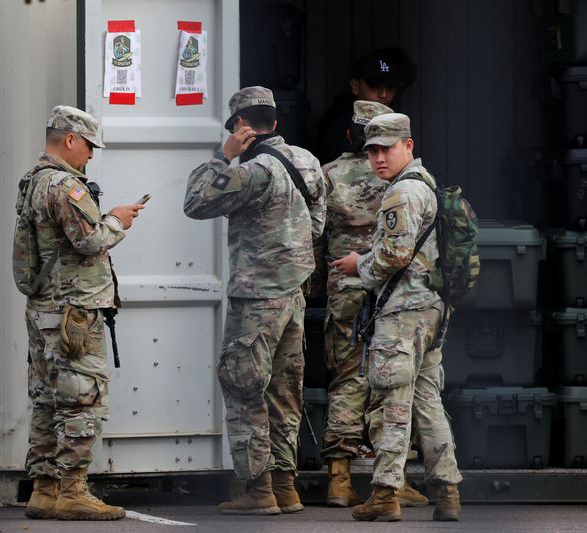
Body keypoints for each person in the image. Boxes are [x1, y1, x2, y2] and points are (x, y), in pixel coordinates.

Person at [183, 86, 326, 515]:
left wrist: (223, 155)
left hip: (255, 299)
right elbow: (317, 225)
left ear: (241, 126)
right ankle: (286, 486)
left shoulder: (254, 172)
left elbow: (194, 201)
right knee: (286, 393)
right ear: (275, 123)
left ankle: (257, 489)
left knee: (245, 390)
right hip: (294, 296)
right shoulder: (307, 162)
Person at [331, 113, 462, 522]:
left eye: (386, 149)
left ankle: (385, 493)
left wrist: (358, 265)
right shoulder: (428, 185)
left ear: (408, 145)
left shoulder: (402, 193)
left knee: (393, 401)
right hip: (430, 311)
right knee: (428, 403)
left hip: (402, 313)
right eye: (372, 150)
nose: (378, 159)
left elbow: (393, 255)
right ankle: (448, 493)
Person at [19, 105, 144, 521]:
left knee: (48, 399)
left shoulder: (33, 181)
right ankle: (73, 489)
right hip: (73, 311)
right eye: (89, 146)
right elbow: (90, 241)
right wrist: (118, 220)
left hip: (45, 309)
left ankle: (44, 488)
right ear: (70, 140)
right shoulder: (64, 186)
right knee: (82, 400)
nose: (90, 155)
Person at [320, 101, 427, 510]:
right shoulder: (402, 173)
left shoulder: (327, 174)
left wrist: (318, 283)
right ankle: (393, 480)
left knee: (347, 376)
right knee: (394, 380)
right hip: (393, 287)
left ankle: (339, 479)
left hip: (344, 283)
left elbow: (313, 232)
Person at [314, 47, 416, 167]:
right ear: (356, 86)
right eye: (375, 86)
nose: (383, 94)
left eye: (390, 87)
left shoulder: (394, 123)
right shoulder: (340, 125)